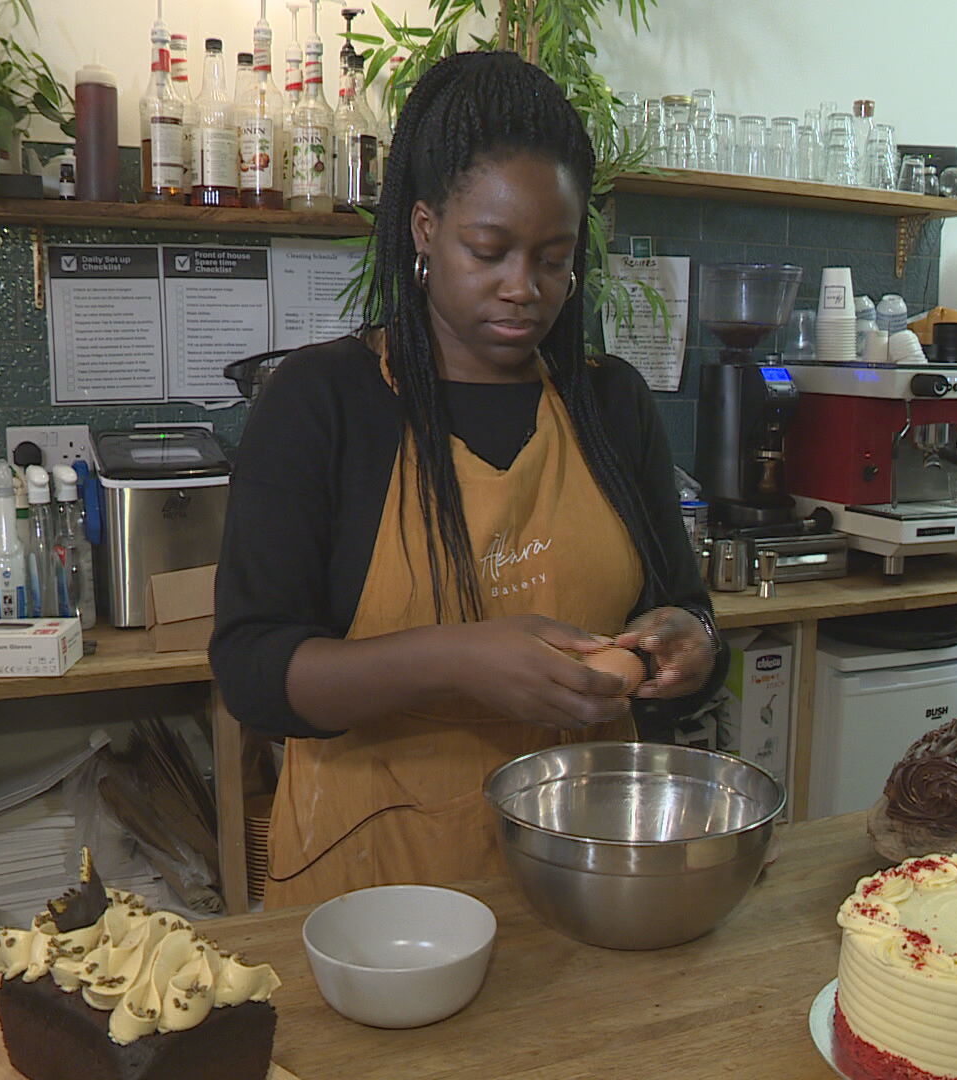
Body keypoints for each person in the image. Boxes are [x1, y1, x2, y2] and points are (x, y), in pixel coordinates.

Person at [211, 50, 727, 909]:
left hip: (588, 879)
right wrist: (455, 660)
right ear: (423, 228)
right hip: (375, 892)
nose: (524, 288)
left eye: (554, 259)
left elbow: (685, 606)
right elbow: (254, 674)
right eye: (488, 250)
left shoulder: (609, 403)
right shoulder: (324, 400)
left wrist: (690, 644)